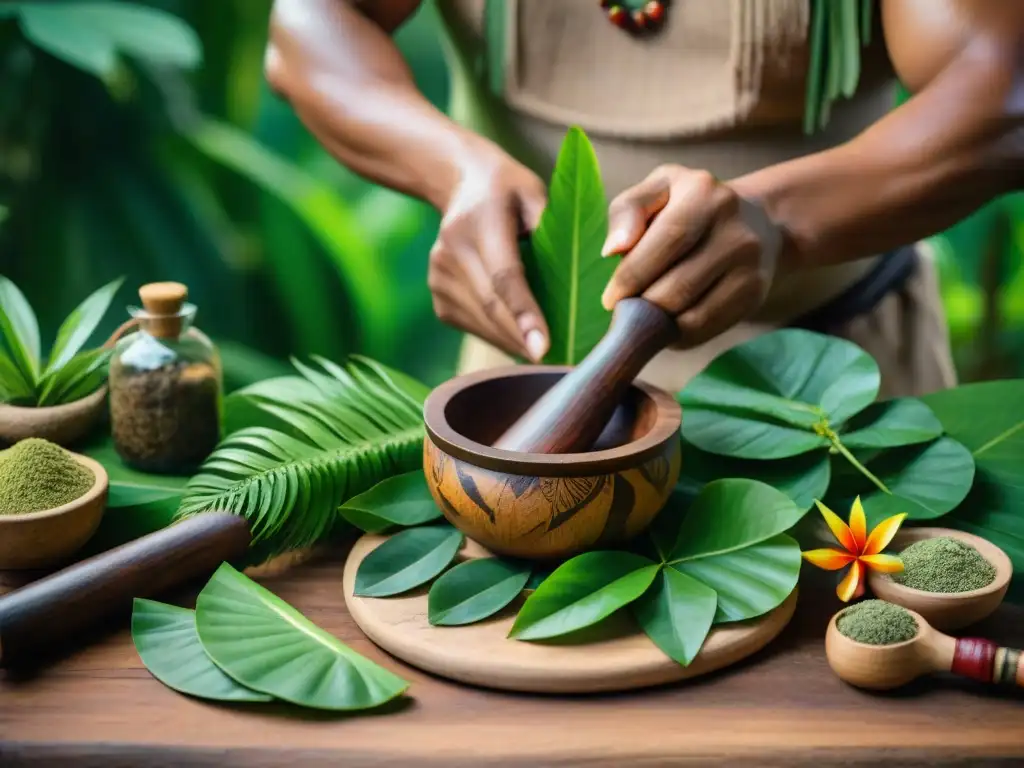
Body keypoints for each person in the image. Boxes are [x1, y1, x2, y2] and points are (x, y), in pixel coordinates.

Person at [263, 0, 1023, 397]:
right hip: (525, 390)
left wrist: (778, 221)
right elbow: (311, 20)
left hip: (838, 387)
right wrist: (453, 170)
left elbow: (1002, 90)